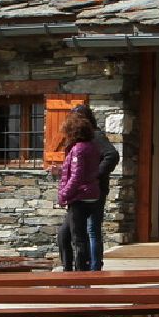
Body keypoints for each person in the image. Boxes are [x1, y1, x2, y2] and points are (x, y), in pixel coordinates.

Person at [65, 105, 118, 270]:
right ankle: (84, 266)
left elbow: (112, 155)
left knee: (92, 229)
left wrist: (95, 175)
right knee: (78, 231)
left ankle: (95, 268)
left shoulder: (96, 136)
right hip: (83, 192)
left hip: (96, 190)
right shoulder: (80, 140)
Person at [51, 111, 103, 271]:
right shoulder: (91, 147)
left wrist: (63, 195)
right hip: (90, 195)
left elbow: (77, 177)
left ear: (72, 132)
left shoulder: (79, 149)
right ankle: (68, 271)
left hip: (80, 198)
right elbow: (82, 171)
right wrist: (61, 171)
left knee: (78, 239)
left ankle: (80, 276)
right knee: (64, 235)